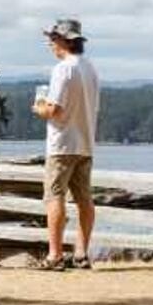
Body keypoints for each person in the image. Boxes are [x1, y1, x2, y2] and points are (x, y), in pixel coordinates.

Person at [32, 19, 100, 271]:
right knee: (84, 199)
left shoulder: (63, 69)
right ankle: (81, 253)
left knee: (54, 196)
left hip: (62, 144)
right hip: (85, 141)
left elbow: (54, 109)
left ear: (64, 41)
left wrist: (39, 108)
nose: (50, 43)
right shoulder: (90, 68)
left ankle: (55, 254)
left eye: (53, 38)